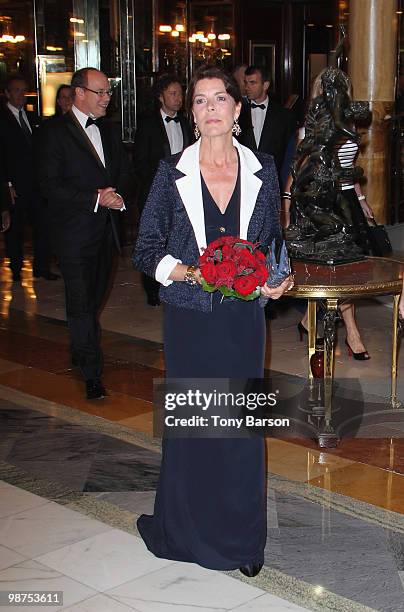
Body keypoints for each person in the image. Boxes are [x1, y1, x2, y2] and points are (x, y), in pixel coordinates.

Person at [133, 66, 293, 576]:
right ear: (193, 114)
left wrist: (277, 278)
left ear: (237, 109)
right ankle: (185, 530)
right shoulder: (169, 173)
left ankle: (244, 542)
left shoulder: (264, 169)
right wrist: (186, 271)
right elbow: (146, 249)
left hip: (244, 319)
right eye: (200, 101)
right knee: (195, 428)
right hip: (191, 318)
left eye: (219, 98)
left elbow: (272, 246)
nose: (210, 108)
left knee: (243, 428)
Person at [39, 67, 132, 400]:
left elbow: (122, 171)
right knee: (80, 303)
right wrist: (95, 198)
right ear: (79, 93)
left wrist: (117, 195)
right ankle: (92, 373)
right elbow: (49, 185)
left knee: (93, 300)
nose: (108, 98)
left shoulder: (108, 131)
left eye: (109, 92)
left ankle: (81, 346)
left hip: (105, 232)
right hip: (73, 233)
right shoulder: (54, 132)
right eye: (101, 92)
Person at [284, 69, 373, 359]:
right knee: (336, 270)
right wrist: (287, 211)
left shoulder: (346, 124)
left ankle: (310, 321)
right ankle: (352, 333)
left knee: (352, 270)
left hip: (346, 198)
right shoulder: (311, 131)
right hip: (319, 198)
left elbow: (348, 169)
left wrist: (361, 199)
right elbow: (296, 176)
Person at [133, 74, 192, 306]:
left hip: (184, 193)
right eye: (173, 94)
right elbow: (141, 162)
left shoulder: (187, 122)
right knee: (154, 240)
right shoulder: (148, 125)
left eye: (180, 94)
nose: (179, 99)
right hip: (156, 191)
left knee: (178, 239)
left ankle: (178, 281)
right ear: (161, 96)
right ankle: (151, 289)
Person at [0, 75, 57, 282]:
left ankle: (41, 267)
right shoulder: (3, 119)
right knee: (15, 229)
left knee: (42, 224)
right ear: (7, 93)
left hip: (36, 183)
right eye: (16, 90)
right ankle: (15, 269)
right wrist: (6, 184)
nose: (21, 95)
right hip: (14, 184)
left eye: (24, 90)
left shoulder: (32, 117)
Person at [238, 65, 296, 176]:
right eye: (246, 83)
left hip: (274, 177)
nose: (247, 87)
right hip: (245, 177)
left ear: (265, 85)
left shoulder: (284, 116)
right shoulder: (238, 114)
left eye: (252, 83)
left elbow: (289, 155)